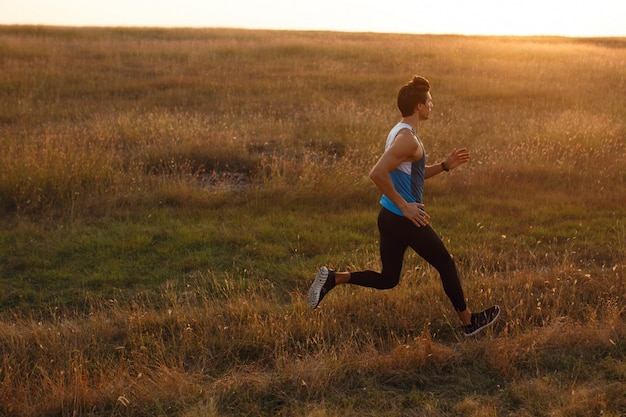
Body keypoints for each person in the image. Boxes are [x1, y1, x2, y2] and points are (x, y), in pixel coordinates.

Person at [308, 75, 500, 336]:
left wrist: (444, 167)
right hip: (404, 218)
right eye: (429, 102)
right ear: (419, 107)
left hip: (388, 215)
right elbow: (377, 173)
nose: (432, 105)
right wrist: (406, 206)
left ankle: (334, 277)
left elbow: (408, 174)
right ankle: (468, 322)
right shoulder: (408, 139)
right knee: (446, 263)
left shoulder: (398, 131)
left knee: (389, 279)